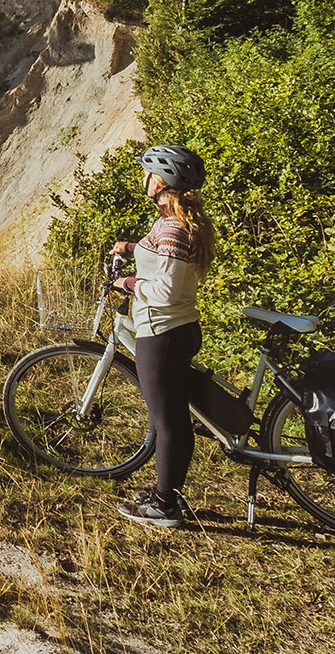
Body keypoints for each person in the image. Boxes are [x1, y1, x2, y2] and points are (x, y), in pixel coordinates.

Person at [108, 145, 214, 528]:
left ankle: (164, 505)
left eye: (147, 172)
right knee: (176, 418)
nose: (144, 177)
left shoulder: (171, 227)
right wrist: (133, 248)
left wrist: (128, 282)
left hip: (161, 331)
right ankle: (169, 492)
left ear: (159, 180)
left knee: (166, 423)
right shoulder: (177, 222)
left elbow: (164, 288)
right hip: (182, 328)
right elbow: (166, 257)